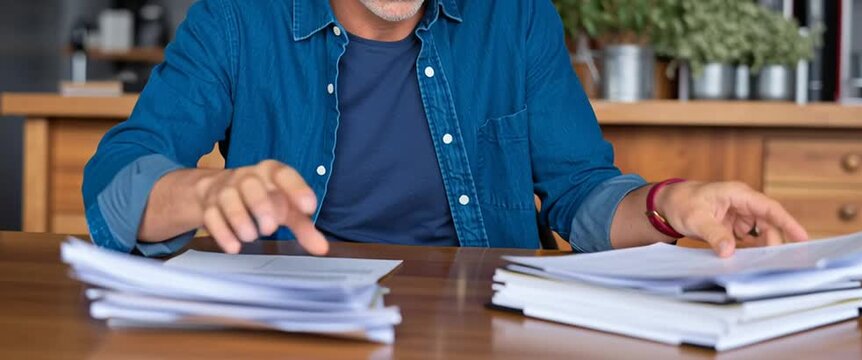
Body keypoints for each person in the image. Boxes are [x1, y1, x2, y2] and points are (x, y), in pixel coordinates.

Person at [83, 0, 808, 259]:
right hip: (297, 333)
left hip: (480, 328)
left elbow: (578, 192)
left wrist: (667, 206)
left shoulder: (517, 16)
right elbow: (120, 175)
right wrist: (203, 194)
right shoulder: (239, 17)